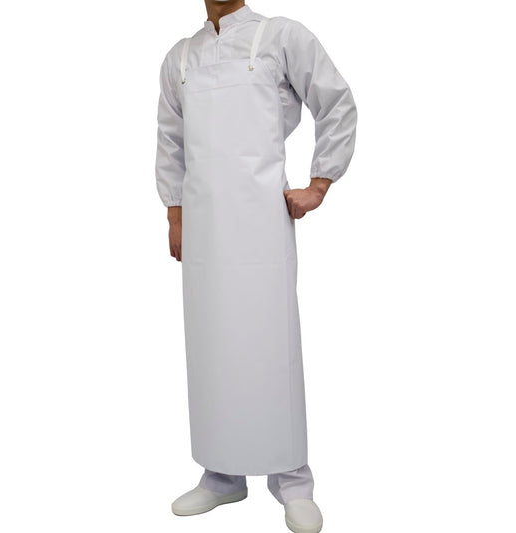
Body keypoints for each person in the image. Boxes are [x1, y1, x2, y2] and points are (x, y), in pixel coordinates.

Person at [155, 1, 356, 531]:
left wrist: (320, 183)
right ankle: (221, 474)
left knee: (270, 345)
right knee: (211, 349)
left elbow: (336, 102)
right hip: (204, 226)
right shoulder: (181, 58)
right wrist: (174, 213)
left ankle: (292, 480)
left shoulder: (280, 37)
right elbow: (170, 139)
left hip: (261, 222)